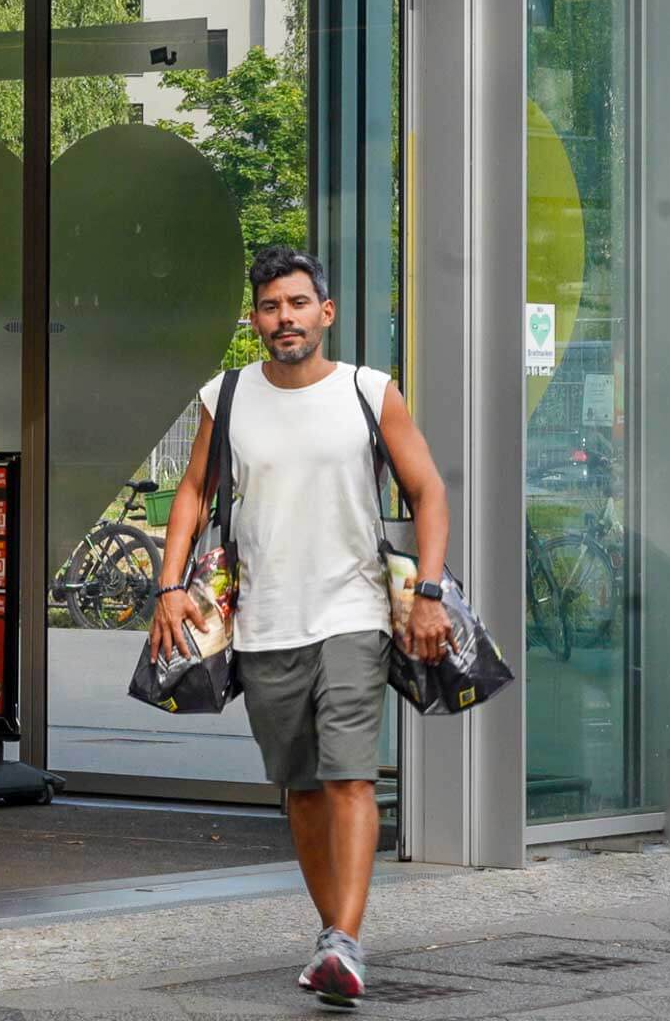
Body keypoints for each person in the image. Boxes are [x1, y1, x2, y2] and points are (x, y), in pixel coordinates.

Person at [150, 245, 452, 1008]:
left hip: (352, 614)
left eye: (297, 304)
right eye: (270, 307)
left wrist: (431, 590)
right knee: (303, 787)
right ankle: (334, 938)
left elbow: (427, 490)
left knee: (350, 775)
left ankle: (344, 942)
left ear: (326, 312)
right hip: (265, 622)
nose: (284, 318)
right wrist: (167, 586)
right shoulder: (227, 397)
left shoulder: (368, 391)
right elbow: (191, 493)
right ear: (255, 320)